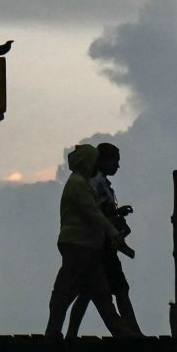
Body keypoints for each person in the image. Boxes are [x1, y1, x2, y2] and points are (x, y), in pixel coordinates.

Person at [45, 143, 132, 339]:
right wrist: (114, 233)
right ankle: (55, 331)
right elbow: (93, 213)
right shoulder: (77, 184)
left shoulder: (81, 183)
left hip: (85, 245)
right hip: (78, 244)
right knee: (72, 292)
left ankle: (119, 331)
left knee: (90, 292)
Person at [67, 142, 144, 338]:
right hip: (102, 246)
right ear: (102, 161)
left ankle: (71, 333)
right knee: (119, 288)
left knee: (88, 293)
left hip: (99, 244)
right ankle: (132, 331)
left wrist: (116, 212)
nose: (118, 166)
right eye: (115, 161)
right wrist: (113, 218)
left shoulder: (95, 181)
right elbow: (95, 211)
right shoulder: (94, 182)